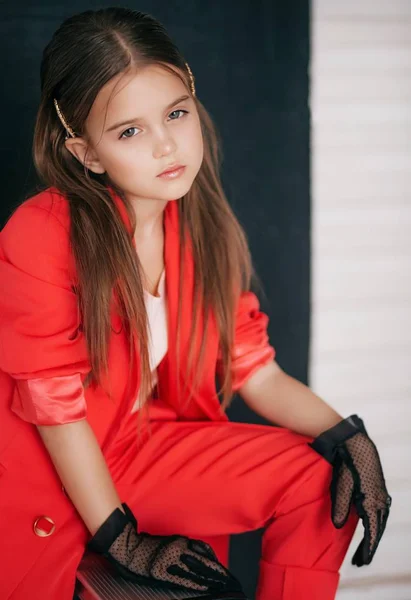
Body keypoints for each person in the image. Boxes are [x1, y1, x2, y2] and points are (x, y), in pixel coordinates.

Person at [0, 7, 391, 600]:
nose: (166, 145)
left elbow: (253, 368)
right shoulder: (42, 232)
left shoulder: (196, 225)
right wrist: (121, 537)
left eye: (176, 114)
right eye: (130, 131)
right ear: (87, 153)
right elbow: (58, 411)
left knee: (319, 480)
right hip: (54, 473)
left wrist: (347, 437)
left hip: (139, 449)